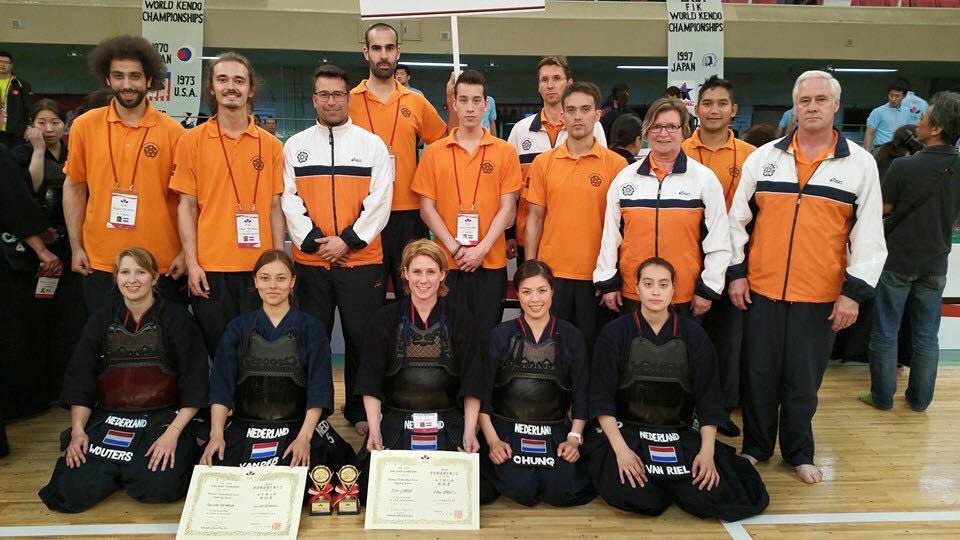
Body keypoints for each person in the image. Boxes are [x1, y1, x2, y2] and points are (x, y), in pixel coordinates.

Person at [728, 70, 886, 484]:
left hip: (819, 295)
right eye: (804, 100)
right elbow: (736, 221)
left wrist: (852, 294)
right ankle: (756, 448)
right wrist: (738, 274)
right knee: (758, 375)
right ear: (794, 107)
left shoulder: (860, 165)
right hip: (761, 289)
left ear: (836, 105)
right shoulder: (763, 159)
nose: (812, 107)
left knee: (803, 381)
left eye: (820, 99)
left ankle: (798, 451)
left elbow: (869, 235)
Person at [584, 257, 768, 521]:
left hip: (677, 431)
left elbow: (709, 400)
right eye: (648, 284)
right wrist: (621, 452)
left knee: (707, 497)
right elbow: (601, 399)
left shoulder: (694, 335)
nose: (656, 291)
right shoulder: (614, 333)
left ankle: (678, 485)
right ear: (637, 288)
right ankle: (662, 483)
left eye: (663, 284)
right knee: (640, 497)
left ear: (674, 289)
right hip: (628, 430)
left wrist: (707, 452)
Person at [38, 247, 208, 513]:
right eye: (125, 272)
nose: (132, 280)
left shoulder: (177, 319)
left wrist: (173, 434)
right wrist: (78, 431)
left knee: (159, 487)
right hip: (110, 416)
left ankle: (129, 469)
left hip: (163, 418)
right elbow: (80, 382)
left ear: (154, 278)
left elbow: (195, 384)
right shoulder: (101, 319)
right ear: (115, 278)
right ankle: (117, 470)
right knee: (71, 492)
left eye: (141, 272)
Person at [281, 64, 392, 430]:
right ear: (314, 99)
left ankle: (360, 409)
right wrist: (315, 243)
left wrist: (346, 240)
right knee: (314, 339)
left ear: (349, 98)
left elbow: (380, 201)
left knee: (363, 339)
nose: (332, 101)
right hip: (313, 264)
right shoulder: (295, 146)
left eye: (338, 94)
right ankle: (319, 409)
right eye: (324, 94)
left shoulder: (372, 145)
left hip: (362, 262)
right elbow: (289, 201)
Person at [201, 250, 356, 477]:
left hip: (297, 426)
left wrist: (304, 438)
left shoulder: (311, 328)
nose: (273, 285)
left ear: (292, 281)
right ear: (255, 281)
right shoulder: (238, 328)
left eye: (281, 278)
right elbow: (221, 386)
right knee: (217, 473)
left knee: (305, 479)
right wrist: (216, 434)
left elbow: (319, 388)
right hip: (246, 424)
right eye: (265, 278)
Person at [171, 52, 286, 356]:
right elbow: (186, 206)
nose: (230, 87)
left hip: (258, 268)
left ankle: (251, 406)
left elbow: (275, 208)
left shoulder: (272, 145)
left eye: (239, 80)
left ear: (251, 89)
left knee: (257, 351)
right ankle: (222, 405)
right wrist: (193, 262)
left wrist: (277, 262)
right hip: (211, 268)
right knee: (220, 351)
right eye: (222, 79)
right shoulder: (191, 141)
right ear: (211, 87)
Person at [63, 35, 187, 314]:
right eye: (118, 76)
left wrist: (184, 252)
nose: (127, 84)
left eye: (135, 76)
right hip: (101, 261)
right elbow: (74, 188)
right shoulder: (84, 127)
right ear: (107, 79)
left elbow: (186, 201)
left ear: (149, 80)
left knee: (161, 348)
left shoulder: (174, 133)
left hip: (161, 262)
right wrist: (76, 247)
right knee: (106, 346)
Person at [354, 239, 485, 501]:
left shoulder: (463, 319)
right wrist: (375, 430)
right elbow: (371, 381)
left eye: (430, 272)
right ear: (404, 274)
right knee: (370, 490)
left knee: (474, 492)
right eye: (416, 272)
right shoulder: (384, 319)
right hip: (397, 418)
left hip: (447, 419)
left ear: (442, 275)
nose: (423, 280)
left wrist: (469, 432)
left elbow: (473, 382)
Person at [862, 92, 960, 412]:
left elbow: (884, 209)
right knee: (927, 335)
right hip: (936, 260)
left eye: (923, 117)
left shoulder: (904, 166)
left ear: (936, 128)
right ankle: (919, 400)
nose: (917, 121)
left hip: (898, 258)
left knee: (887, 329)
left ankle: (881, 396)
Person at [594, 97, 730, 319]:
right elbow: (610, 236)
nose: (663, 133)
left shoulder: (704, 179)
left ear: (684, 132)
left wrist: (709, 287)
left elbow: (718, 238)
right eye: (656, 126)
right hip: (633, 293)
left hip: (684, 295)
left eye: (671, 126)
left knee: (681, 353)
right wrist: (608, 281)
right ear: (646, 131)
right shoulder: (625, 178)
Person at [413, 69, 522, 339]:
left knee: (486, 336)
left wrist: (481, 249)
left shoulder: (505, 151)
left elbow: (507, 207)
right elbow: (427, 209)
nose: (470, 107)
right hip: (448, 262)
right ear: (454, 104)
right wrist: (456, 248)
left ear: (486, 105)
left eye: (476, 101)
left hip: (490, 261)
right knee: (450, 336)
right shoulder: (435, 152)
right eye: (463, 100)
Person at [478, 260, 594, 507]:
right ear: (517, 293)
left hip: (554, 428)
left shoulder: (572, 336)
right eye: (526, 292)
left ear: (553, 291)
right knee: (521, 488)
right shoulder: (499, 335)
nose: (535, 299)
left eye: (542, 290)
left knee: (563, 492)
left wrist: (574, 438)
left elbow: (582, 394)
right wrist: (493, 441)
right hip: (507, 428)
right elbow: (482, 395)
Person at [680, 76, 758, 438]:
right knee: (689, 342)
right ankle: (685, 408)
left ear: (734, 110)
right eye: (707, 102)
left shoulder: (751, 157)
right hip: (685, 260)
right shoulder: (678, 149)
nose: (713, 110)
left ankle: (720, 411)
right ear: (695, 108)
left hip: (732, 264)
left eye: (721, 103)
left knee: (727, 343)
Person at [525, 82, 627, 350]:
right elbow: (534, 218)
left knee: (591, 352)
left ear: (597, 115)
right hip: (552, 275)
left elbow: (622, 227)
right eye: (570, 110)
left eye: (585, 109)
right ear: (562, 116)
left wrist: (613, 275)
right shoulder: (543, 163)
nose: (577, 116)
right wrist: (531, 271)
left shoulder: (616, 165)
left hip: (596, 277)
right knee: (551, 352)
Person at [350, 23, 449, 298]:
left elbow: (444, 143)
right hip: (363, 212)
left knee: (414, 295)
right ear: (366, 53)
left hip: (408, 213)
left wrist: (453, 104)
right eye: (377, 48)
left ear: (398, 52)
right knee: (367, 300)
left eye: (389, 48)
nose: (384, 55)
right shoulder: (349, 102)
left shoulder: (416, 102)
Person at [6, 99, 87, 408]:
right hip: (32, 244)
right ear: (31, 124)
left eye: (54, 122)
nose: (49, 128)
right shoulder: (19, 153)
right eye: (42, 122)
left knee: (66, 318)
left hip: (68, 238)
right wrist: (38, 149)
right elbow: (30, 188)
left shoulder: (71, 152)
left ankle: (62, 385)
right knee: (33, 317)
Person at [507, 56, 607, 263]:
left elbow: (603, 178)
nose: (550, 85)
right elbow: (510, 189)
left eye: (557, 78)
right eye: (544, 80)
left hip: (576, 238)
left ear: (569, 83)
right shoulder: (520, 130)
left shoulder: (593, 128)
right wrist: (508, 235)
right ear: (538, 86)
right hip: (528, 235)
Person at [863, 79, 913, 154]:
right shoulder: (878, 111)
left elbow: (910, 133)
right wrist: (867, 154)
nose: (893, 99)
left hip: (901, 150)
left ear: (904, 96)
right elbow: (869, 132)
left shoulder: (907, 112)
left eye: (897, 96)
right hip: (881, 149)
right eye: (891, 95)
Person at [0, 50, 34, 147]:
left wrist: (29, 127)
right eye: (0, 62)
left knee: (14, 159)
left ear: (11, 65)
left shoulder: (22, 85)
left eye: (6, 62)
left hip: (15, 133)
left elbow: (30, 108)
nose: (2, 65)